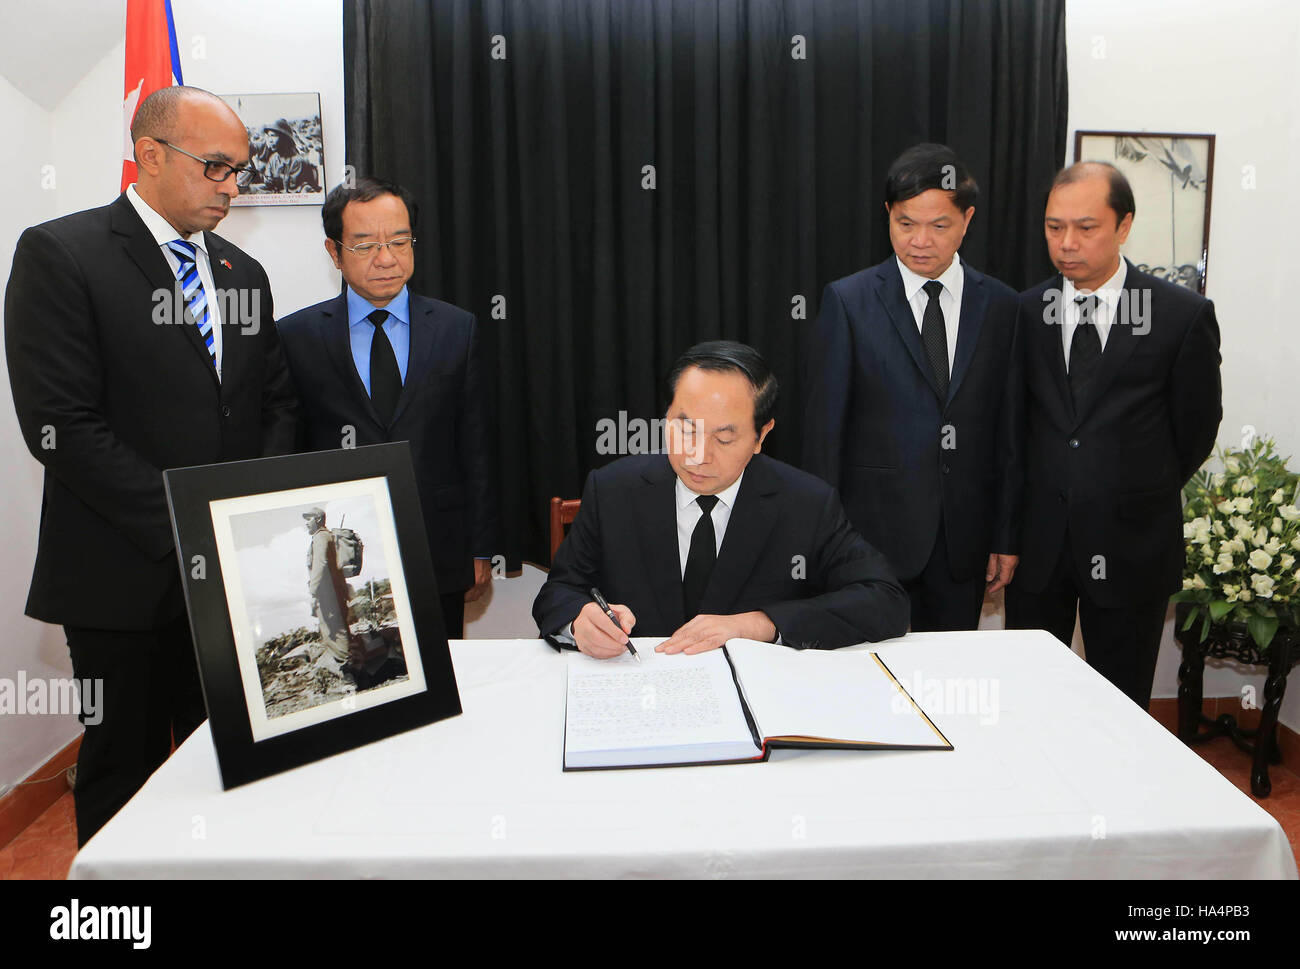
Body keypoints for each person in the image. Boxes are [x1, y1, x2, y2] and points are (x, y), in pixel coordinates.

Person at [4, 85, 298, 845]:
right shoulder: (61, 253)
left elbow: (275, 406)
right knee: (125, 770)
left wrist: (244, 516)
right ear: (152, 155)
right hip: (118, 579)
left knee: (225, 760)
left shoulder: (242, 273)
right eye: (217, 167)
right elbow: (60, 428)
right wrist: (191, 521)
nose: (233, 186)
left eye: (240, 169)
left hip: (230, 577)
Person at [533, 341, 909, 658]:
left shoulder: (806, 504)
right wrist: (579, 620)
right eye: (685, 428)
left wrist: (760, 624)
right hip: (640, 692)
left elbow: (886, 601)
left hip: (758, 701)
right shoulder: (613, 490)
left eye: (724, 439)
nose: (698, 454)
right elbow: (559, 591)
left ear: (763, 435)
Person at [1006, 161, 1222, 709]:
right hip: (1039, 546)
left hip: (1133, 545)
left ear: (1124, 226)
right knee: (1029, 701)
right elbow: (1012, 428)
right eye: (1054, 227)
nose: (1067, 243)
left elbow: (1196, 429)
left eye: (1086, 227)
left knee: (1121, 707)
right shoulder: (1024, 313)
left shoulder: (1180, 315)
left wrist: (1125, 486)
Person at [802, 143, 1023, 631]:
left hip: (964, 545)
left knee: (947, 689)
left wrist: (1005, 535)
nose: (920, 240)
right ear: (888, 215)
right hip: (869, 542)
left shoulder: (1004, 307)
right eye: (905, 223)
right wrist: (823, 541)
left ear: (966, 220)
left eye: (939, 225)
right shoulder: (849, 301)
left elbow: (1010, 433)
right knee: (870, 685)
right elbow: (824, 434)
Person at [277, 177, 499, 638]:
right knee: (354, 683)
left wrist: (481, 547)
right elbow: (287, 451)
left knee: (441, 682)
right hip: (343, 552)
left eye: (400, 241)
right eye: (365, 246)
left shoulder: (457, 329)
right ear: (334, 252)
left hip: (436, 544)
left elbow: (476, 444)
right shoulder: (295, 337)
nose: (387, 258)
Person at [303, 508, 355, 673]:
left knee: (334, 632)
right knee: (337, 630)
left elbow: (320, 565)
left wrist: (312, 592)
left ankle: (350, 672)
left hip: (328, 595)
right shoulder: (325, 536)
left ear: (318, 519)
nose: (306, 522)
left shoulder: (321, 537)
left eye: (309, 518)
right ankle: (352, 668)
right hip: (332, 593)